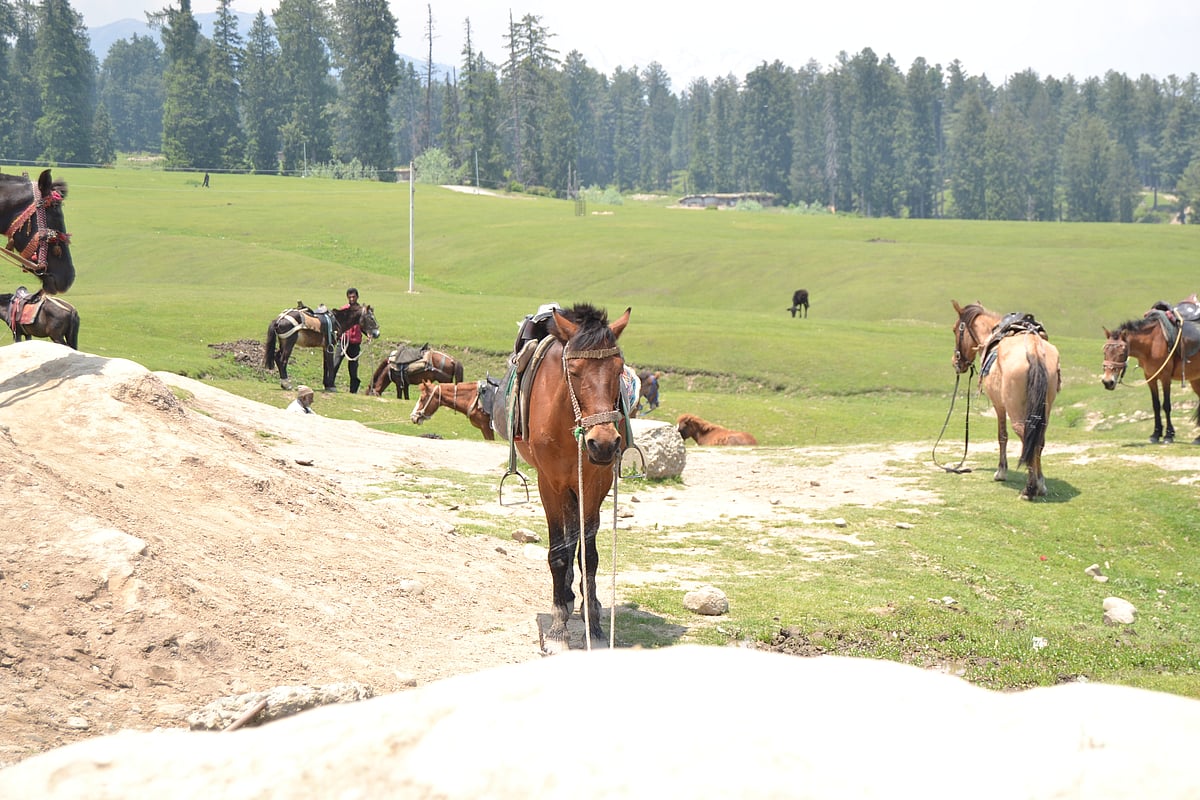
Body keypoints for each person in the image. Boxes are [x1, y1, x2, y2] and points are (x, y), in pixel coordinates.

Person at [339, 287, 364, 393]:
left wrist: (369, 335)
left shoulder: (362, 311)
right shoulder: (344, 309)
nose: (352, 299)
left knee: (353, 369)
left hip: (355, 343)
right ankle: (329, 384)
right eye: (350, 297)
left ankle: (353, 390)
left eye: (354, 297)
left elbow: (365, 326)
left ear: (357, 297)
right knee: (335, 363)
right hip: (343, 341)